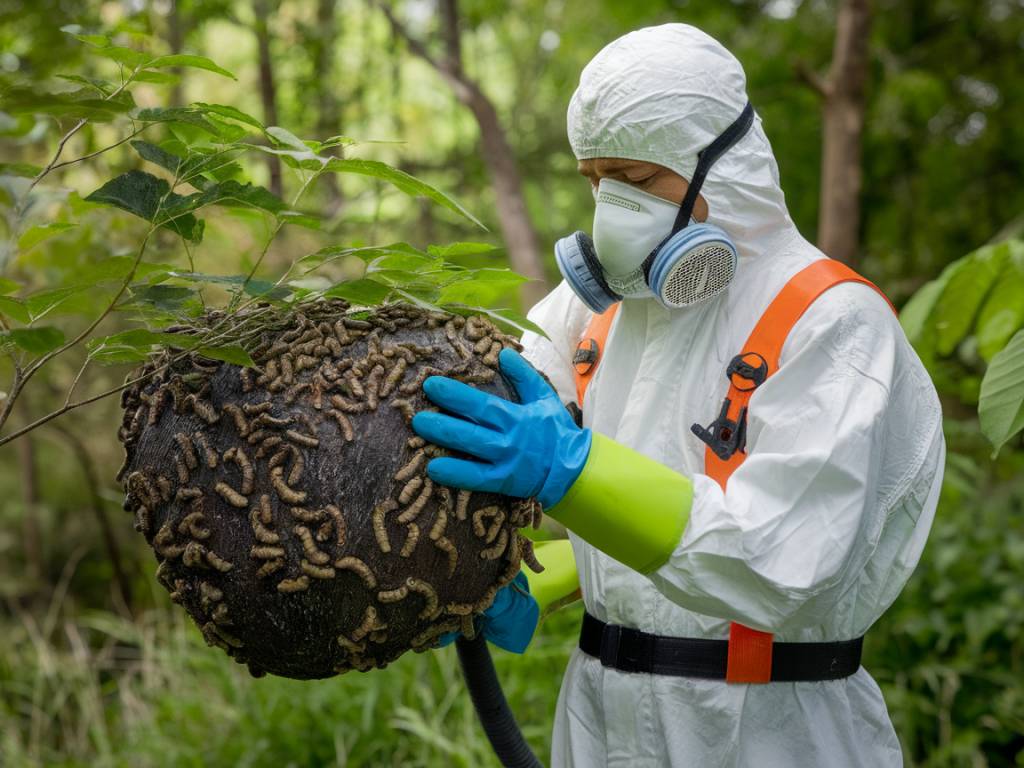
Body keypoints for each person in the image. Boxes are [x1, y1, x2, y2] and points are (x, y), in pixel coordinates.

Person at [412, 22, 944, 768]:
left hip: (765, 732)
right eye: (594, 181)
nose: (609, 210)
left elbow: (775, 558)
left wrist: (569, 468)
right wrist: (511, 573)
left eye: (635, 180)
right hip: (598, 720)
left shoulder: (833, 322)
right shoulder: (593, 308)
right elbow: (480, 409)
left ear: (719, 165)